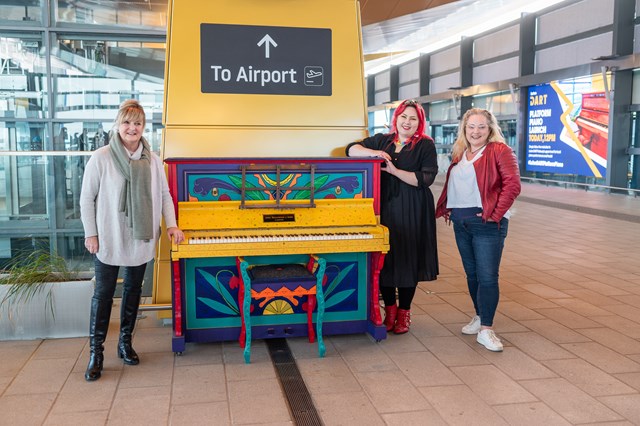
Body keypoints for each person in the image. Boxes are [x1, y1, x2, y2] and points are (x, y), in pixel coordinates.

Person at [80, 99, 184, 381]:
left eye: (137, 123)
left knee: (134, 291)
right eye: (127, 122)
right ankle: (96, 353)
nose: (132, 128)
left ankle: (125, 343)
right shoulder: (101, 157)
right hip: (109, 237)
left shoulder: (151, 160)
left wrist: (172, 226)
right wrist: (91, 232)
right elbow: (86, 198)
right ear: (118, 124)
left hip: (140, 237)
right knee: (103, 295)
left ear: (143, 127)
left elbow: (164, 196)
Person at [346, 99, 438, 334]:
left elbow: (424, 179)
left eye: (413, 118)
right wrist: (374, 152)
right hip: (385, 208)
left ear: (420, 123)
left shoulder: (425, 145)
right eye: (403, 117)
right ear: (395, 118)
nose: (407, 122)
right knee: (385, 260)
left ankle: (404, 313)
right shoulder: (383, 140)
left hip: (413, 209)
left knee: (408, 260)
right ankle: (390, 311)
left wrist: (395, 171)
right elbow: (351, 150)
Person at [435, 108, 521, 352]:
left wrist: (494, 215)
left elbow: (512, 186)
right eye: (471, 126)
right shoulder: (461, 152)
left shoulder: (500, 151)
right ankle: (479, 315)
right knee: (472, 275)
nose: (476, 131)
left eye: (481, 126)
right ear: (464, 129)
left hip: (486, 224)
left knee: (487, 276)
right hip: (462, 223)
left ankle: (487, 329)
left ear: (490, 128)